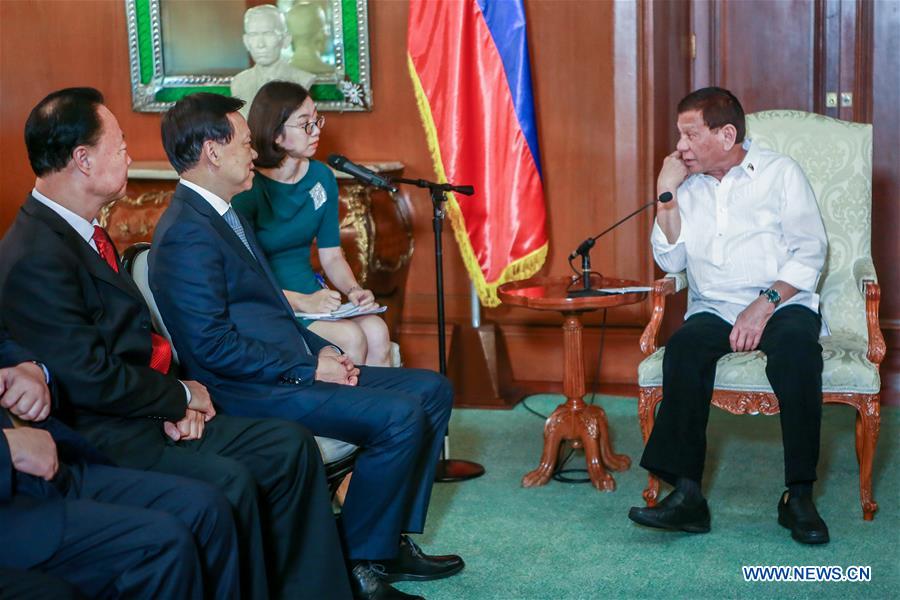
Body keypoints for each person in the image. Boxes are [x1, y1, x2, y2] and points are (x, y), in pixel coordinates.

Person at [0, 87, 351, 599]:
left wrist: (175, 398)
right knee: (227, 485)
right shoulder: (35, 254)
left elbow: (135, 345)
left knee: (287, 445)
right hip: (103, 434)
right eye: (120, 146)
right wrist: (176, 398)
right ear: (83, 159)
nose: (128, 156)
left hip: (142, 408)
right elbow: (88, 378)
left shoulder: (81, 232)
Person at [149, 92, 464, 600]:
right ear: (212, 151)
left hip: (284, 367)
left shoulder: (224, 215)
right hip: (247, 390)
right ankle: (359, 563)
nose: (254, 153)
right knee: (401, 415)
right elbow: (212, 348)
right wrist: (307, 369)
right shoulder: (188, 231)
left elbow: (272, 312)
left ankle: (383, 544)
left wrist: (321, 350)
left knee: (432, 391)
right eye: (246, 143)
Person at [627, 87, 830, 544]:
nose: (680, 146)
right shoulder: (686, 187)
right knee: (683, 350)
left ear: (726, 135)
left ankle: (799, 496)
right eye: (679, 135)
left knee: (798, 354)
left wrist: (764, 303)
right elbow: (671, 262)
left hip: (782, 302)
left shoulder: (780, 173)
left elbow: (810, 251)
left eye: (690, 135)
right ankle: (688, 497)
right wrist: (666, 195)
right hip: (714, 307)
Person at [0, 328, 239, 598]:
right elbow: (87, 375)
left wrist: (32, 370)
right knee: (160, 543)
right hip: (15, 499)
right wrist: (8, 448)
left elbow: (4, 343)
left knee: (204, 505)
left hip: (52, 457)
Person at [233, 80, 392, 366]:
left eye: (317, 120)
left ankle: (377, 398)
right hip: (274, 303)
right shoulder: (249, 186)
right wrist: (300, 301)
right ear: (276, 134)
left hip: (315, 298)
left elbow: (332, 256)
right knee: (350, 337)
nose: (316, 130)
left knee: (377, 331)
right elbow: (242, 275)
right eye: (305, 124)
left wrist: (353, 290)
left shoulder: (321, 177)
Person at [231, 4, 315, 117]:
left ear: (285, 39)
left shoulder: (302, 79)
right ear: (246, 41)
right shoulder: (239, 82)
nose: (260, 44)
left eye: (268, 34)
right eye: (253, 35)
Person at [287, 1, 335, 75]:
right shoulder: (338, 75)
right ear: (321, 34)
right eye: (326, 30)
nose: (327, 34)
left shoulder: (276, 75)